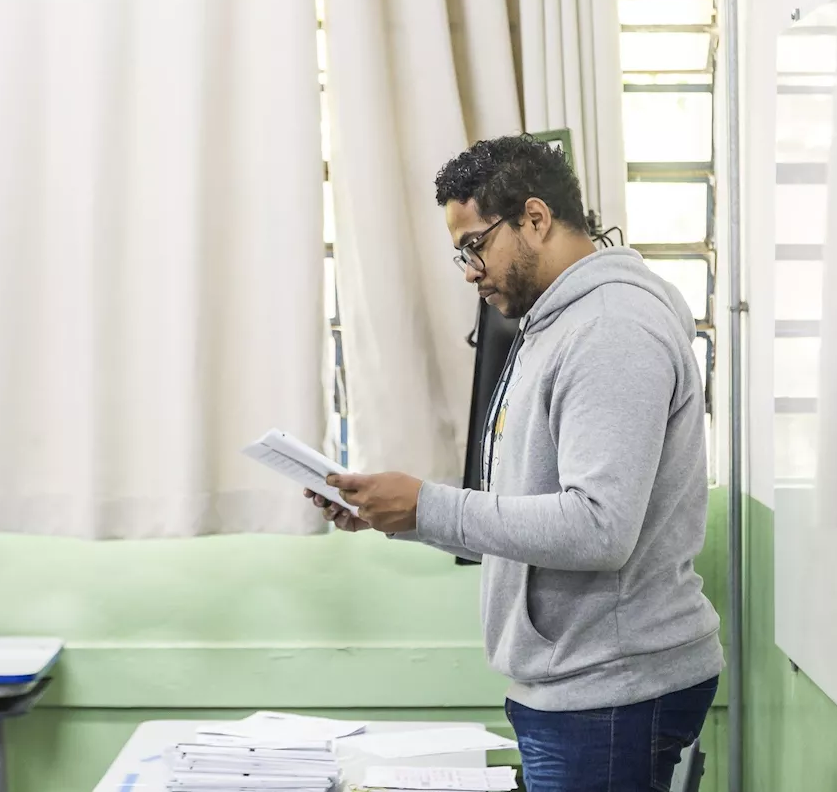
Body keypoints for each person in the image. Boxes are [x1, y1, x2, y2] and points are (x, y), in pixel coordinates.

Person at [305, 135, 723, 791]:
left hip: (610, 689)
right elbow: (530, 495)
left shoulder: (611, 326)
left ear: (535, 218)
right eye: (460, 253)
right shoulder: (555, 322)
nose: (469, 269)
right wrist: (399, 513)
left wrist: (430, 504)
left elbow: (598, 527)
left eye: (476, 244)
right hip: (579, 683)